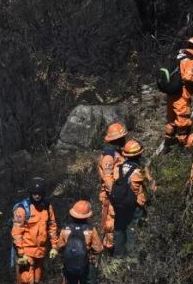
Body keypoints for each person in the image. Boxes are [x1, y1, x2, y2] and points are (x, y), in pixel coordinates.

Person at [110, 140, 155, 257]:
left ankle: (118, 256)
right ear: (139, 154)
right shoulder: (139, 171)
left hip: (118, 203)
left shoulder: (117, 168)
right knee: (132, 229)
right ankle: (132, 257)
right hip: (134, 205)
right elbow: (152, 187)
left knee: (119, 228)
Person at [11, 178, 59, 284]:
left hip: (40, 251)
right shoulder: (23, 209)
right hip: (26, 251)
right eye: (34, 193)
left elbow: (52, 226)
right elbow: (17, 233)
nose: (37, 196)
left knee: (37, 280)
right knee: (26, 281)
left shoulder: (47, 207)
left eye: (39, 193)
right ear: (30, 193)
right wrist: (21, 253)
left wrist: (54, 246)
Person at [164, 36, 193, 150]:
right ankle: (182, 149)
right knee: (183, 121)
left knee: (171, 120)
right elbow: (188, 78)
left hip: (171, 92)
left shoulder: (179, 56)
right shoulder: (191, 60)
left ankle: (167, 145)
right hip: (181, 95)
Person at [56, 200, 103, 284]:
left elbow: (59, 247)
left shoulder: (65, 229)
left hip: (69, 265)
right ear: (87, 216)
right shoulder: (91, 230)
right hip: (86, 265)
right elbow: (98, 249)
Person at [97, 122, 127, 253]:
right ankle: (109, 251)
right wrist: (116, 194)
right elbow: (107, 178)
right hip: (111, 196)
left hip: (118, 193)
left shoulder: (118, 153)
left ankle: (118, 248)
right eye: (123, 137)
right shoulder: (109, 155)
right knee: (110, 224)